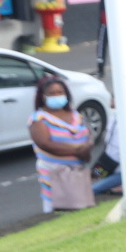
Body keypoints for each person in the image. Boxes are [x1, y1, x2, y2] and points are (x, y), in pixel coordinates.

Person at [31, 77, 95, 213]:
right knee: (60, 210)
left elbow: (88, 134)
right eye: (52, 93)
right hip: (55, 174)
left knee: (83, 208)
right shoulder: (39, 119)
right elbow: (45, 143)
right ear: (43, 96)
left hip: (79, 171)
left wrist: (88, 146)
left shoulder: (75, 115)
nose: (57, 96)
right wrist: (78, 151)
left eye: (60, 92)